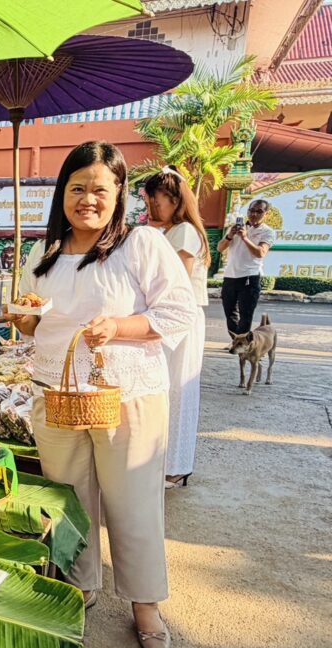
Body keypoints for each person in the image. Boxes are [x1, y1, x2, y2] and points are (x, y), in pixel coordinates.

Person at [5, 142, 195, 648]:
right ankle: (81, 582)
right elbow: (33, 324)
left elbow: (179, 312)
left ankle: (146, 604)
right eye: (77, 188)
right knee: (69, 500)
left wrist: (119, 327)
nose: (87, 199)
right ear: (61, 193)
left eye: (99, 190)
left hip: (126, 395)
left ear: (119, 194)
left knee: (134, 505)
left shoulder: (141, 244)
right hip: (56, 395)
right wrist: (22, 318)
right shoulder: (43, 255)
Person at [145, 167, 210, 489]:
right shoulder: (171, 232)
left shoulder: (183, 232)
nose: (151, 208)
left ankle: (176, 467)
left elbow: (177, 283)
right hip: (170, 317)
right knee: (166, 390)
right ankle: (165, 463)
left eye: (155, 201)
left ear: (174, 200)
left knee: (178, 391)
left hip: (181, 319)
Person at [217, 199, 274, 336]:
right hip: (230, 275)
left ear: (266, 214)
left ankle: (242, 344)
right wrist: (230, 236)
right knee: (230, 313)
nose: (254, 214)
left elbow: (260, 253)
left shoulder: (267, 232)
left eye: (259, 211)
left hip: (249, 277)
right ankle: (236, 342)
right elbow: (220, 248)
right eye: (251, 210)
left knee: (245, 315)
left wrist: (245, 238)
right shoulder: (236, 228)